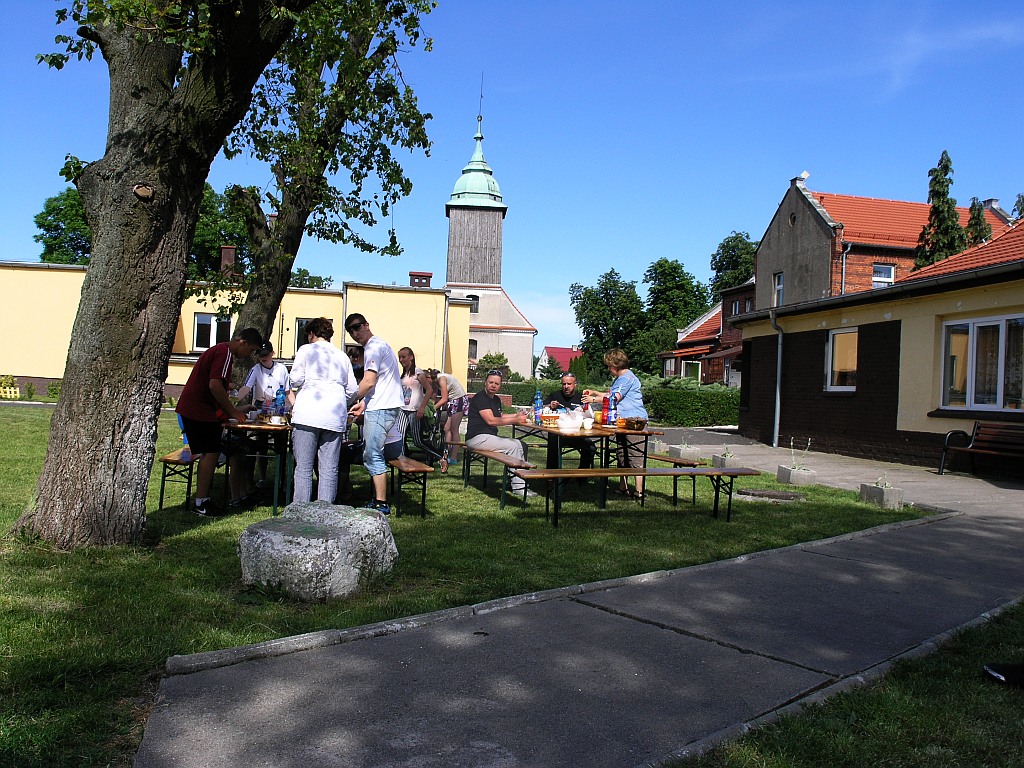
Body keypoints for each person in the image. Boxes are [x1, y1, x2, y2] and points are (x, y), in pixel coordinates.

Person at [175, 327, 263, 515]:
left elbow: (217, 389)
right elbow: (215, 385)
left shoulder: (221, 351)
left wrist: (236, 410)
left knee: (212, 453)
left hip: (198, 410)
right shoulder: (225, 353)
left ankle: (203, 500)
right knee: (211, 453)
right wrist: (233, 411)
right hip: (198, 410)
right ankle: (201, 503)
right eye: (250, 350)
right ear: (242, 342)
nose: (249, 354)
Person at [287, 317, 357, 503]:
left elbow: (294, 380)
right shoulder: (342, 356)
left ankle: (300, 510)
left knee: (303, 467)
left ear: (311, 334)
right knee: (329, 469)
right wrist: (341, 400)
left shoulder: (306, 350)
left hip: (307, 414)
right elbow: (352, 389)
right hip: (334, 415)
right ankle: (325, 511)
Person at [345, 313, 405, 515]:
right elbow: (380, 383)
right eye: (350, 330)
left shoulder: (373, 347)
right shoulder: (380, 345)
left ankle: (381, 504)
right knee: (371, 452)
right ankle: (377, 500)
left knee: (372, 454)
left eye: (357, 327)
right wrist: (364, 403)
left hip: (381, 408)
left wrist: (345, 401)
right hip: (380, 405)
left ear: (366, 325)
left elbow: (369, 381)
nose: (355, 333)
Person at [582, 348, 649, 499]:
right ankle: (623, 487)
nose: (608, 368)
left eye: (609, 365)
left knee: (635, 455)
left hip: (635, 422)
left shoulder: (627, 378)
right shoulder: (621, 379)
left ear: (615, 364)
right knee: (622, 454)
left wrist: (592, 400)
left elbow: (614, 398)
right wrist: (595, 392)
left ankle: (639, 491)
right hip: (623, 421)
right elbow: (609, 395)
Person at [465, 370, 538, 498]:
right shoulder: (480, 398)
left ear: (500, 385)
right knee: (514, 446)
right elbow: (491, 420)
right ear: (485, 383)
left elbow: (500, 416)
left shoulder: (496, 399)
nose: (493, 385)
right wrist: (515, 420)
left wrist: (516, 415)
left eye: (497, 383)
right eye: (491, 382)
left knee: (522, 444)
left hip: (489, 438)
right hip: (476, 438)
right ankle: (519, 487)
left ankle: (515, 479)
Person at [236, 342, 290, 489]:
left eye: (265, 354)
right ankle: (259, 478)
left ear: (272, 353)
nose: (263, 358)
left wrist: (294, 407)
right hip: (260, 406)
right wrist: (235, 401)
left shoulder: (281, 369)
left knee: (280, 444)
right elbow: (247, 387)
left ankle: (281, 480)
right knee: (259, 444)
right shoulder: (256, 369)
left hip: (277, 407)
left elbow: (287, 391)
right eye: (260, 355)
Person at [544, 372, 597, 471]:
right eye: (564, 384)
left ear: (575, 384)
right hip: (558, 435)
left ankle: (581, 475)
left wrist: (584, 411)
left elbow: (590, 415)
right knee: (553, 443)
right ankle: (552, 476)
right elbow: (538, 408)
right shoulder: (555, 395)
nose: (566, 387)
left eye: (569, 384)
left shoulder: (581, 398)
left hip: (578, 435)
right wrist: (550, 406)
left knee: (591, 448)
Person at [429, 368, 469, 468]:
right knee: (446, 429)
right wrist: (428, 406)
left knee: (454, 429)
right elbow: (434, 395)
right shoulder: (435, 381)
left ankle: (454, 458)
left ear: (430, 377)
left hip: (459, 400)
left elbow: (444, 399)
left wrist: (433, 408)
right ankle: (446, 454)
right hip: (452, 401)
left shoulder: (441, 379)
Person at [398, 347, 432, 455]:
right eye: (399, 357)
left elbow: (429, 390)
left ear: (411, 357)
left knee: (417, 441)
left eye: (403, 357)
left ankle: (438, 456)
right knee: (400, 437)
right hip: (403, 409)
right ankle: (402, 462)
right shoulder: (403, 375)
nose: (401, 360)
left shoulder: (418, 372)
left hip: (414, 411)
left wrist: (422, 407)